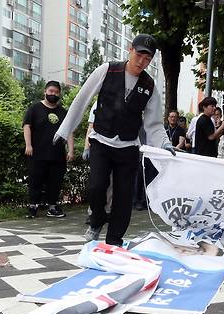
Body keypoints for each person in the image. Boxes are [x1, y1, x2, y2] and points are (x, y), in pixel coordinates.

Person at [54, 33, 175, 246]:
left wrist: (165, 144)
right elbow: (82, 99)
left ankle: (114, 240)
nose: (142, 62)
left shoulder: (149, 85)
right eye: (139, 55)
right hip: (101, 140)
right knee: (96, 187)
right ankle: (97, 220)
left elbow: (154, 124)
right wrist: (64, 131)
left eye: (148, 59)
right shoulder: (107, 70)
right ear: (130, 50)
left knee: (123, 198)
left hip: (128, 147)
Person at [23, 80, 74, 219]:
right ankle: (33, 207)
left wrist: (70, 150)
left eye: (56, 92)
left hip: (57, 155)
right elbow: (27, 126)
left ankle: (52, 207)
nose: (53, 94)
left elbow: (69, 131)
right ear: (45, 91)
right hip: (37, 154)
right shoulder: (34, 109)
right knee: (35, 180)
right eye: (51, 91)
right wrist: (28, 145)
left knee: (55, 182)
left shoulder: (63, 112)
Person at [83, 102, 113, 223]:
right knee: (96, 184)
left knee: (111, 182)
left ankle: (108, 211)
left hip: (117, 147)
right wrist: (86, 147)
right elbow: (91, 126)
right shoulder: (98, 103)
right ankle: (93, 212)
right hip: (99, 148)